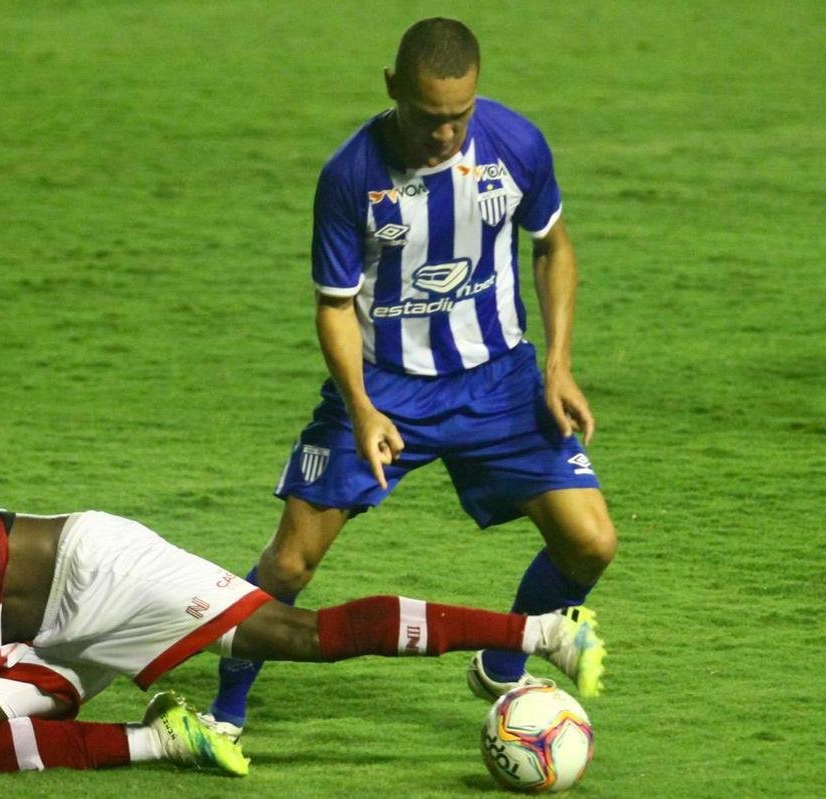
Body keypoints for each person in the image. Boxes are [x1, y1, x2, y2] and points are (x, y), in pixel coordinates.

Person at [206, 17, 617, 737]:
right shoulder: (350, 176)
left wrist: (557, 366)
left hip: (499, 380)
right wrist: (361, 408)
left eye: (459, 117)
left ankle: (502, 660)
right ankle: (224, 706)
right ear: (393, 87)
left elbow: (551, 245)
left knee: (591, 542)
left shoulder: (516, 144)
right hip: (386, 386)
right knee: (293, 561)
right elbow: (333, 307)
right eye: (429, 118)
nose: (445, 135)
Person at [0, 497, 606, 785]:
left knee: (302, 634)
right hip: (42, 638)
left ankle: (541, 630)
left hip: (98, 572)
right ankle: (166, 736)